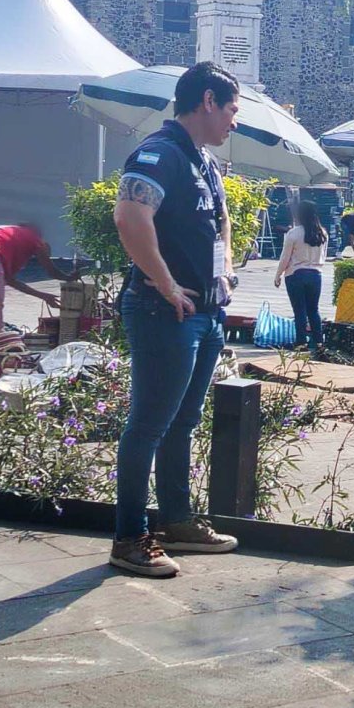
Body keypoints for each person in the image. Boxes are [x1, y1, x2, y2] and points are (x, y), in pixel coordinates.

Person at [111, 62, 241, 578]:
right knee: (148, 426)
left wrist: (225, 269)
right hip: (163, 310)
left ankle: (177, 522)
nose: (234, 121)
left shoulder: (203, 161)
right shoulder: (159, 153)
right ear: (207, 101)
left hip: (204, 313)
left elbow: (223, 220)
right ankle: (129, 538)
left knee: (182, 423)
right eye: (231, 110)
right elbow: (129, 216)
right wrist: (165, 283)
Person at [0, 225, 79, 336]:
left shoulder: (3, 233)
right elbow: (52, 271)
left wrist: (43, 295)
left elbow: (11, 281)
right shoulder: (35, 240)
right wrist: (69, 277)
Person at [274, 199, 327, 350]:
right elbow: (323, 255)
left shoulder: (293, 233)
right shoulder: (322, 233)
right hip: (316, 275)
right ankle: (319, 342)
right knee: (313, 310)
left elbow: (285, 257)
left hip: (296, 274)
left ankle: (301, 342)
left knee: (299, 311)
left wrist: (278, 275)